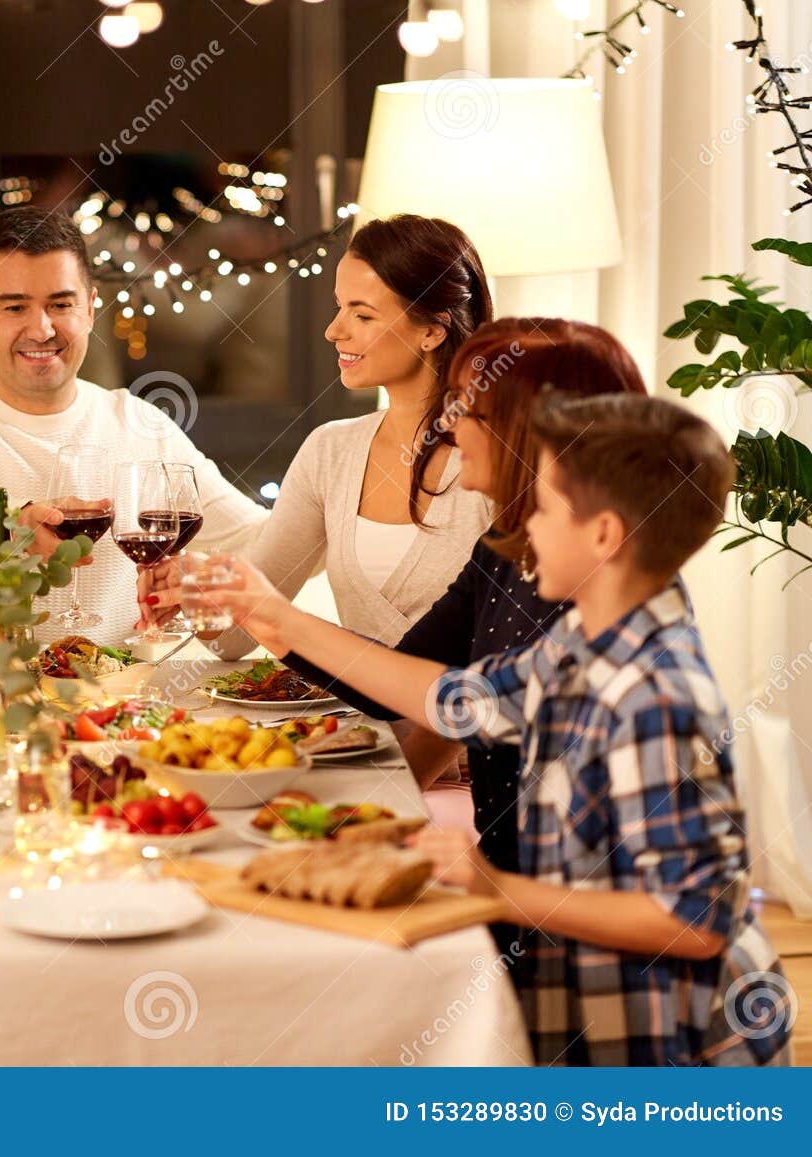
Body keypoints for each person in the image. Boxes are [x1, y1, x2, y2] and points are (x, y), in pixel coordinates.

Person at [204, 393, 791, 1067]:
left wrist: (496, 886)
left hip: (676, 1050)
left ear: (602, 534)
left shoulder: (654, 694)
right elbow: (451, 698)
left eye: (542, 506)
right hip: (593, 1013)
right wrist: (276, 616)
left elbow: (691, 918)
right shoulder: (581, 640)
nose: (524, 525)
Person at [248, 318, 649, 875]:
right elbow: (400, 680)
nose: (448, 426)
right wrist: (266, 618)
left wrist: (276, 617)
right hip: (508, 878)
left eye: (468, 412)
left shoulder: (598, 589)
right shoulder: (505, 547)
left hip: (566, 907)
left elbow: (466, 700)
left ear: (530, 430)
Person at [139, 214, 496, 650]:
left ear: (431, 331)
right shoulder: (331, 451)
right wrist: (195, 586)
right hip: (351, 720)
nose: (333, 331)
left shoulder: (497, 460)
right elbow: (232, 638)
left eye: (362, 315)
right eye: (338, 307)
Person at [0, 205, 267, 645]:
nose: (42, 328)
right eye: (15, 307)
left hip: (121, 703)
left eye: (61, 304)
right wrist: (9, 525)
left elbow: (253, 536)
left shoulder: (141, 424)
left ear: (90, 309)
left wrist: (198, 571)